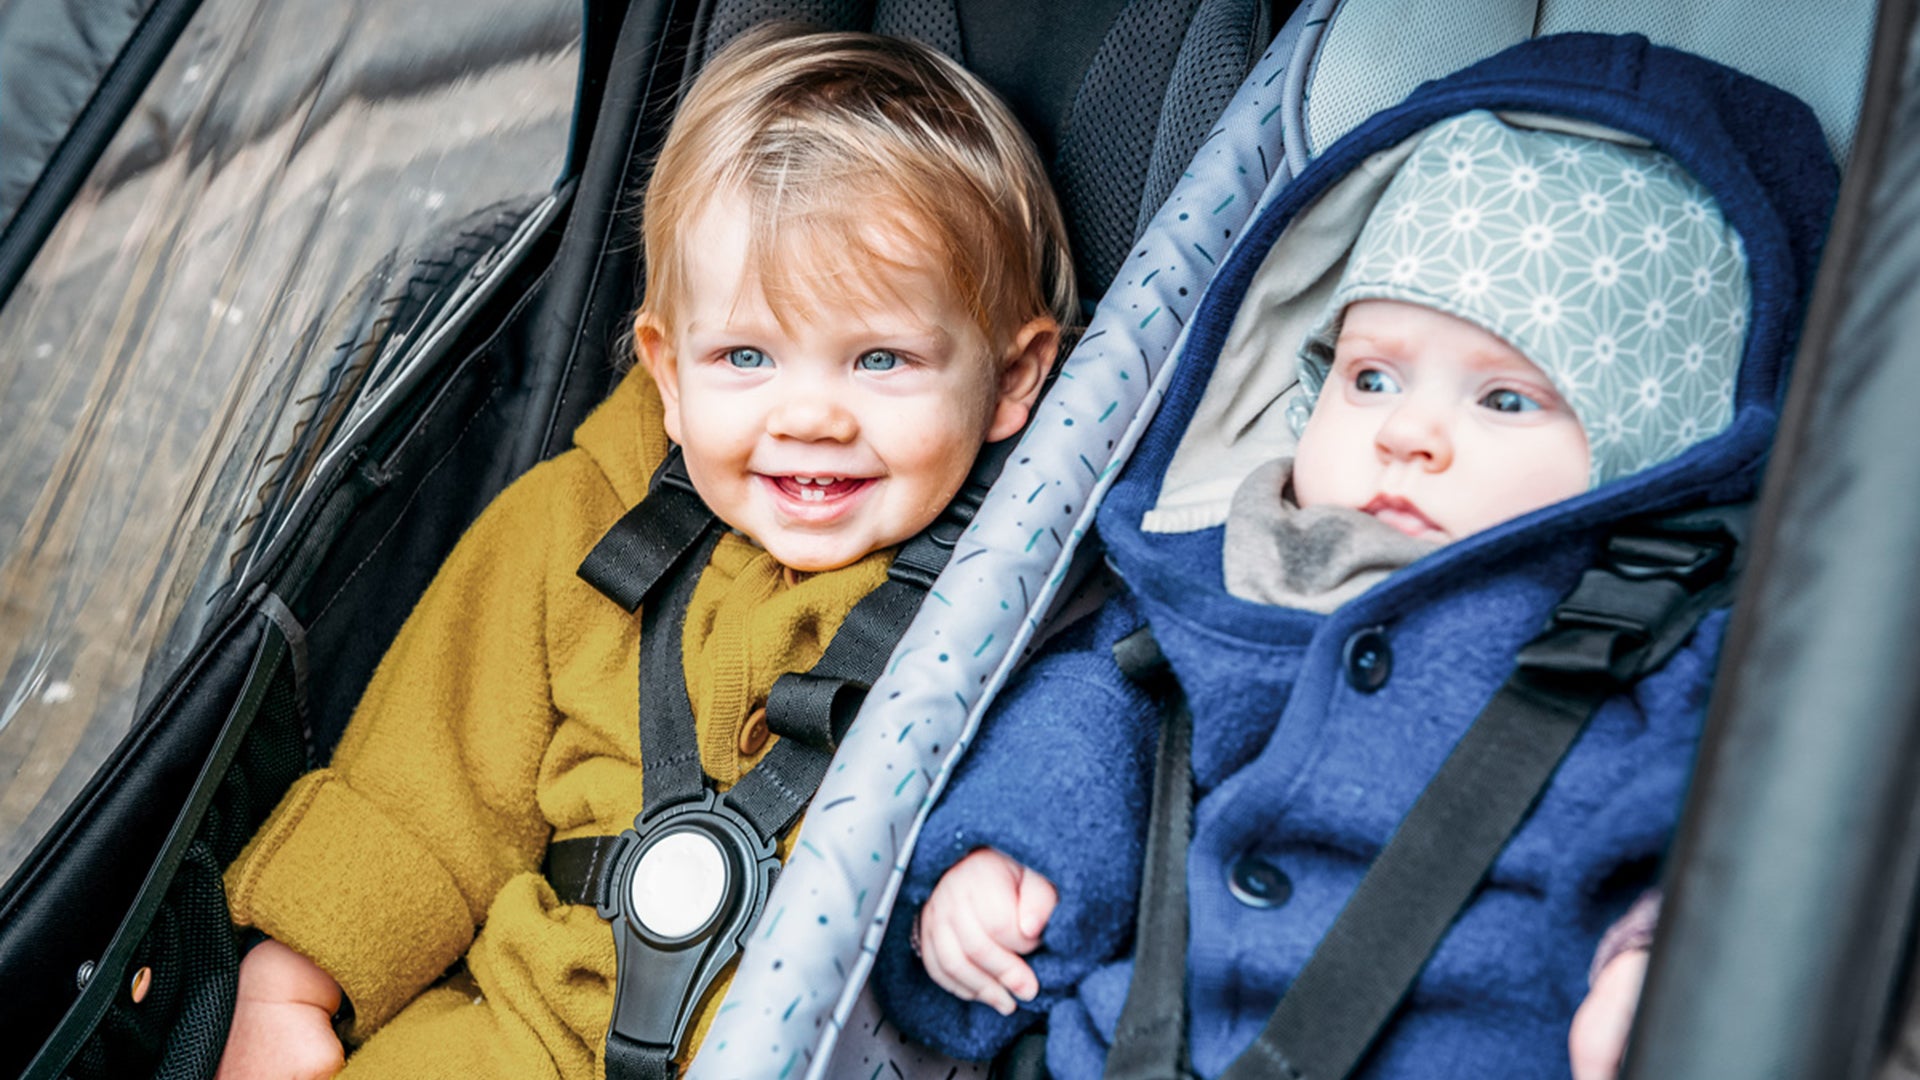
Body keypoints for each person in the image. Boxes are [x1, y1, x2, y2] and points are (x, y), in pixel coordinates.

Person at [872, 33, 1838, 1080]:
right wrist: (1004, 859)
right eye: (1373, 379)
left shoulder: (1672, 639)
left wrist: (1662, 956)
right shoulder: (1236, 565)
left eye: (1506, 399)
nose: (1405, 435)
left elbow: (1734, 816)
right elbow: (1102, 714)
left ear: (1659, 455)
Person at [214, 27, 1073, 1080]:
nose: (808, 417)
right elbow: (427, 774)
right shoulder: (582, 523)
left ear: (1015, 375)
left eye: (881, 358)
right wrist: (295, 976)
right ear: (667, 373)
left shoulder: (1020, 578)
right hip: (522, 1026)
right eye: (745, 356)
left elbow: (1062, 757)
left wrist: (995, 865)